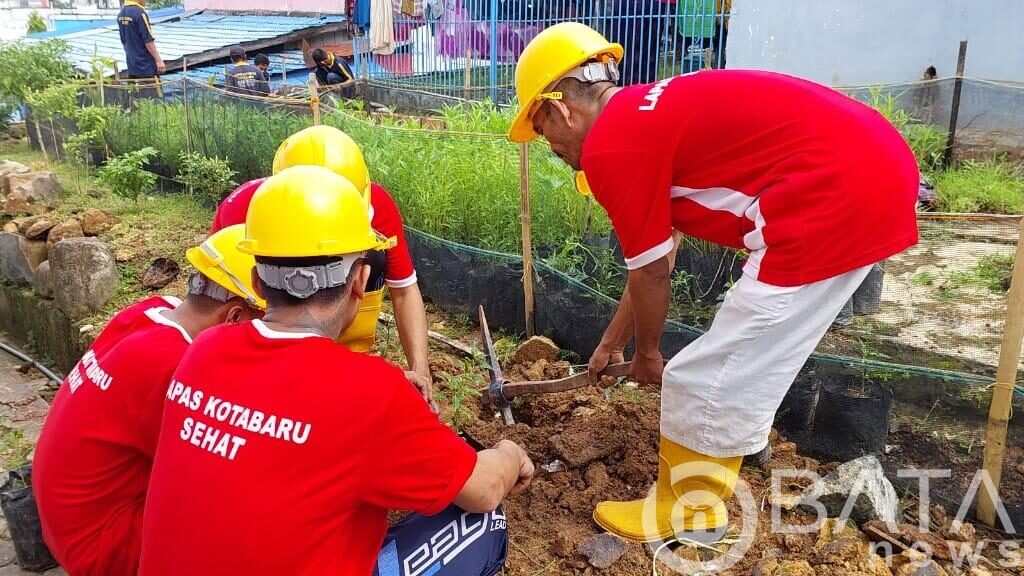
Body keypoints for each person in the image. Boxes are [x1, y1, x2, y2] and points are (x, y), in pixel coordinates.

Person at [507, 23, 919, 542]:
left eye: (541, 130)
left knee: (704, 374)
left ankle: (688, 510)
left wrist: (649, 354)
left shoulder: (611, 145)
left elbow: (652, 270)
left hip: (830, 193)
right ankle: (729, 454)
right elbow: (659, 252)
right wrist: (613, 342)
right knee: (749, 354)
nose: (551, 146)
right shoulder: (642, 115)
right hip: (868, 170)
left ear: (559, 108)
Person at [139, 166, 533, 576]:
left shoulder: (203, 350)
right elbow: (484, 489)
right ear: (360, 281)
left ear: (256, 281)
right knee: (484, 523)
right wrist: (509, 453)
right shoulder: (371, 393)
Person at [33, 225, 265, 576]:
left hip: (68, 518)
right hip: (103, 544)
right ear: (234, 317)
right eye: (264, 324)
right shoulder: (175, 365)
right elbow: (231, 466)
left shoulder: (150, 312)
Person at [209, 126, 436, 409]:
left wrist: (420, 369)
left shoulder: (378, 207)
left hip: (347, 357)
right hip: (269, 354)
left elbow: (404, 291)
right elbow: (216, 310)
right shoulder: (240, 214)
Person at [116, 0, 165, 81]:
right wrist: (159, 60)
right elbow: (148, 41)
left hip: (132, 66)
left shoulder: (121, 14)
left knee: (135, 89)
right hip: (146, 67)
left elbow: (123, 41)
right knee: (152, 88)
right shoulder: (140, 14)